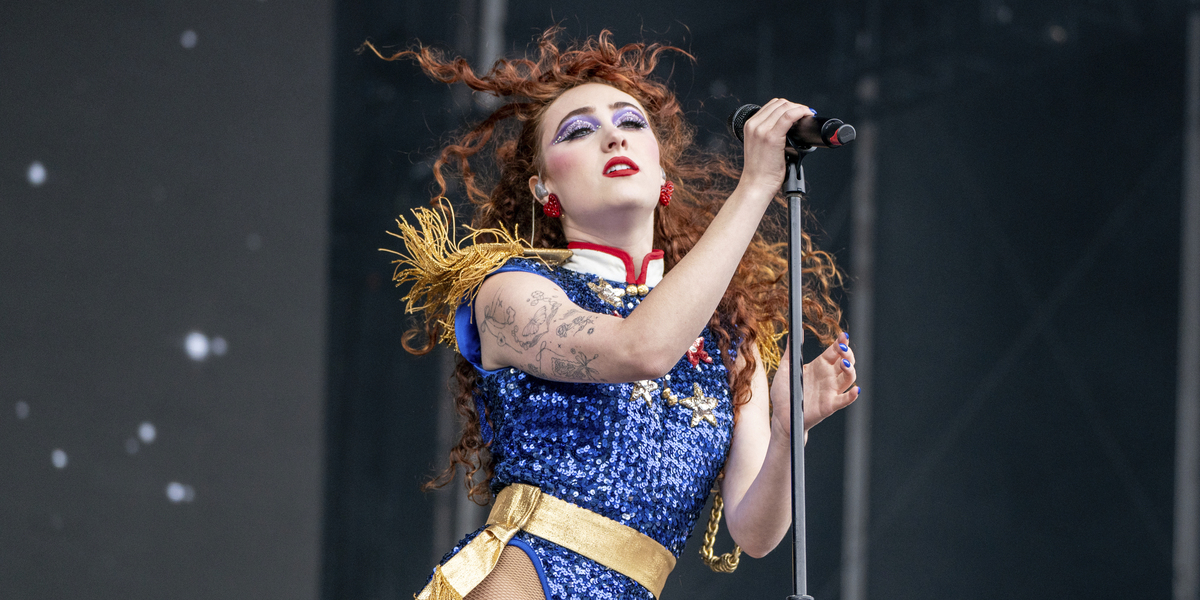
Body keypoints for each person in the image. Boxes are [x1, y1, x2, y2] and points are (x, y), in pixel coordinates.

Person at [374, 27, 860, 600]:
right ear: (542, 187)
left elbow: (753, 532)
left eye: (631, 124)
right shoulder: (508, 293)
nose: (613, 138)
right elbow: (641, 349)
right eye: (579, 130)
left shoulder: (729, 334)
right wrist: (754, 186)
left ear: (662, 174)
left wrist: (786, 431)